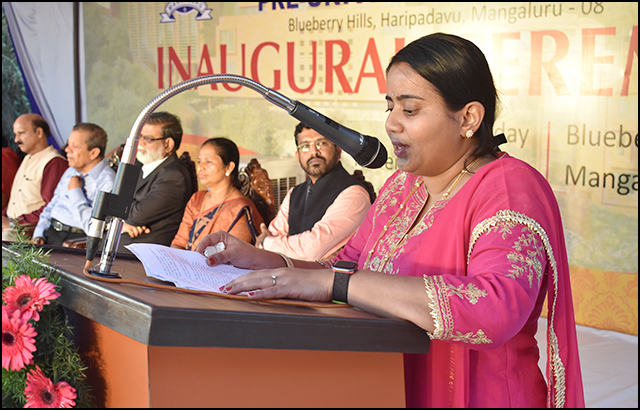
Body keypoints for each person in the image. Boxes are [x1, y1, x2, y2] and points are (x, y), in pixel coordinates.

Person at [195, 33, 585, 407]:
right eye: (390, 106)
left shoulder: (510, 187)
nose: (391, 123)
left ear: (468, 117)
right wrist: (267, 262)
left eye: (409, 109)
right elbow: (345, 269)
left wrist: (334, 282)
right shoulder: (403, 186)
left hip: (480, 397)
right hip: (391, 385)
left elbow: (495, 310)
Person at [254, 122, 372, 261]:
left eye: (321, 143)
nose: (314, 152)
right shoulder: (294, 193)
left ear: (338, 151)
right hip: (287, 272)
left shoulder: (354, 194)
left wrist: (266, 243)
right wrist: (271, 244)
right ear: (298, 157)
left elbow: (311, 250)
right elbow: (273, 236)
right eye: (305, 146)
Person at [116, 112, 193, 253]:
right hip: (120, 244)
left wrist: (120, 216)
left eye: (148, 139)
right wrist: (122, 223)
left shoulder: (174, 176)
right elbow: (110, 200)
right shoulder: (138, 163)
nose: (140, 142)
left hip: (143, 253)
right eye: (140, 136)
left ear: (168, 144)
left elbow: (136, 216)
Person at [171, 137, 264, 250]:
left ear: (229, 167)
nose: (200, 167)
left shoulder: (241, 209)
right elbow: (178, 243)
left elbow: (231, 255)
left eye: (208, 162)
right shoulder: (197, 199)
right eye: (199, 161)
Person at [31, 123, 115, 246]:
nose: (67, 150)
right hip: (50, 233)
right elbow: (52, 204)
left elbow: (93, 227)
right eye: (68, 144)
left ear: (93, 153)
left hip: (74, 239)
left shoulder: (107, 182)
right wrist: (39, 233)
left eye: (75, 146)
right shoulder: (72, 170)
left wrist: (75, 191)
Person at [2, 114, 68, 240]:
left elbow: (51, 207)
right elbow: (16, 201)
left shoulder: (54, 162)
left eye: (21, 133)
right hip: (12, 227)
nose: (16, 140)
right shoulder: (27, 158)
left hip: (29, 232)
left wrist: (13, 224)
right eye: (15, 134)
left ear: (39, 132)